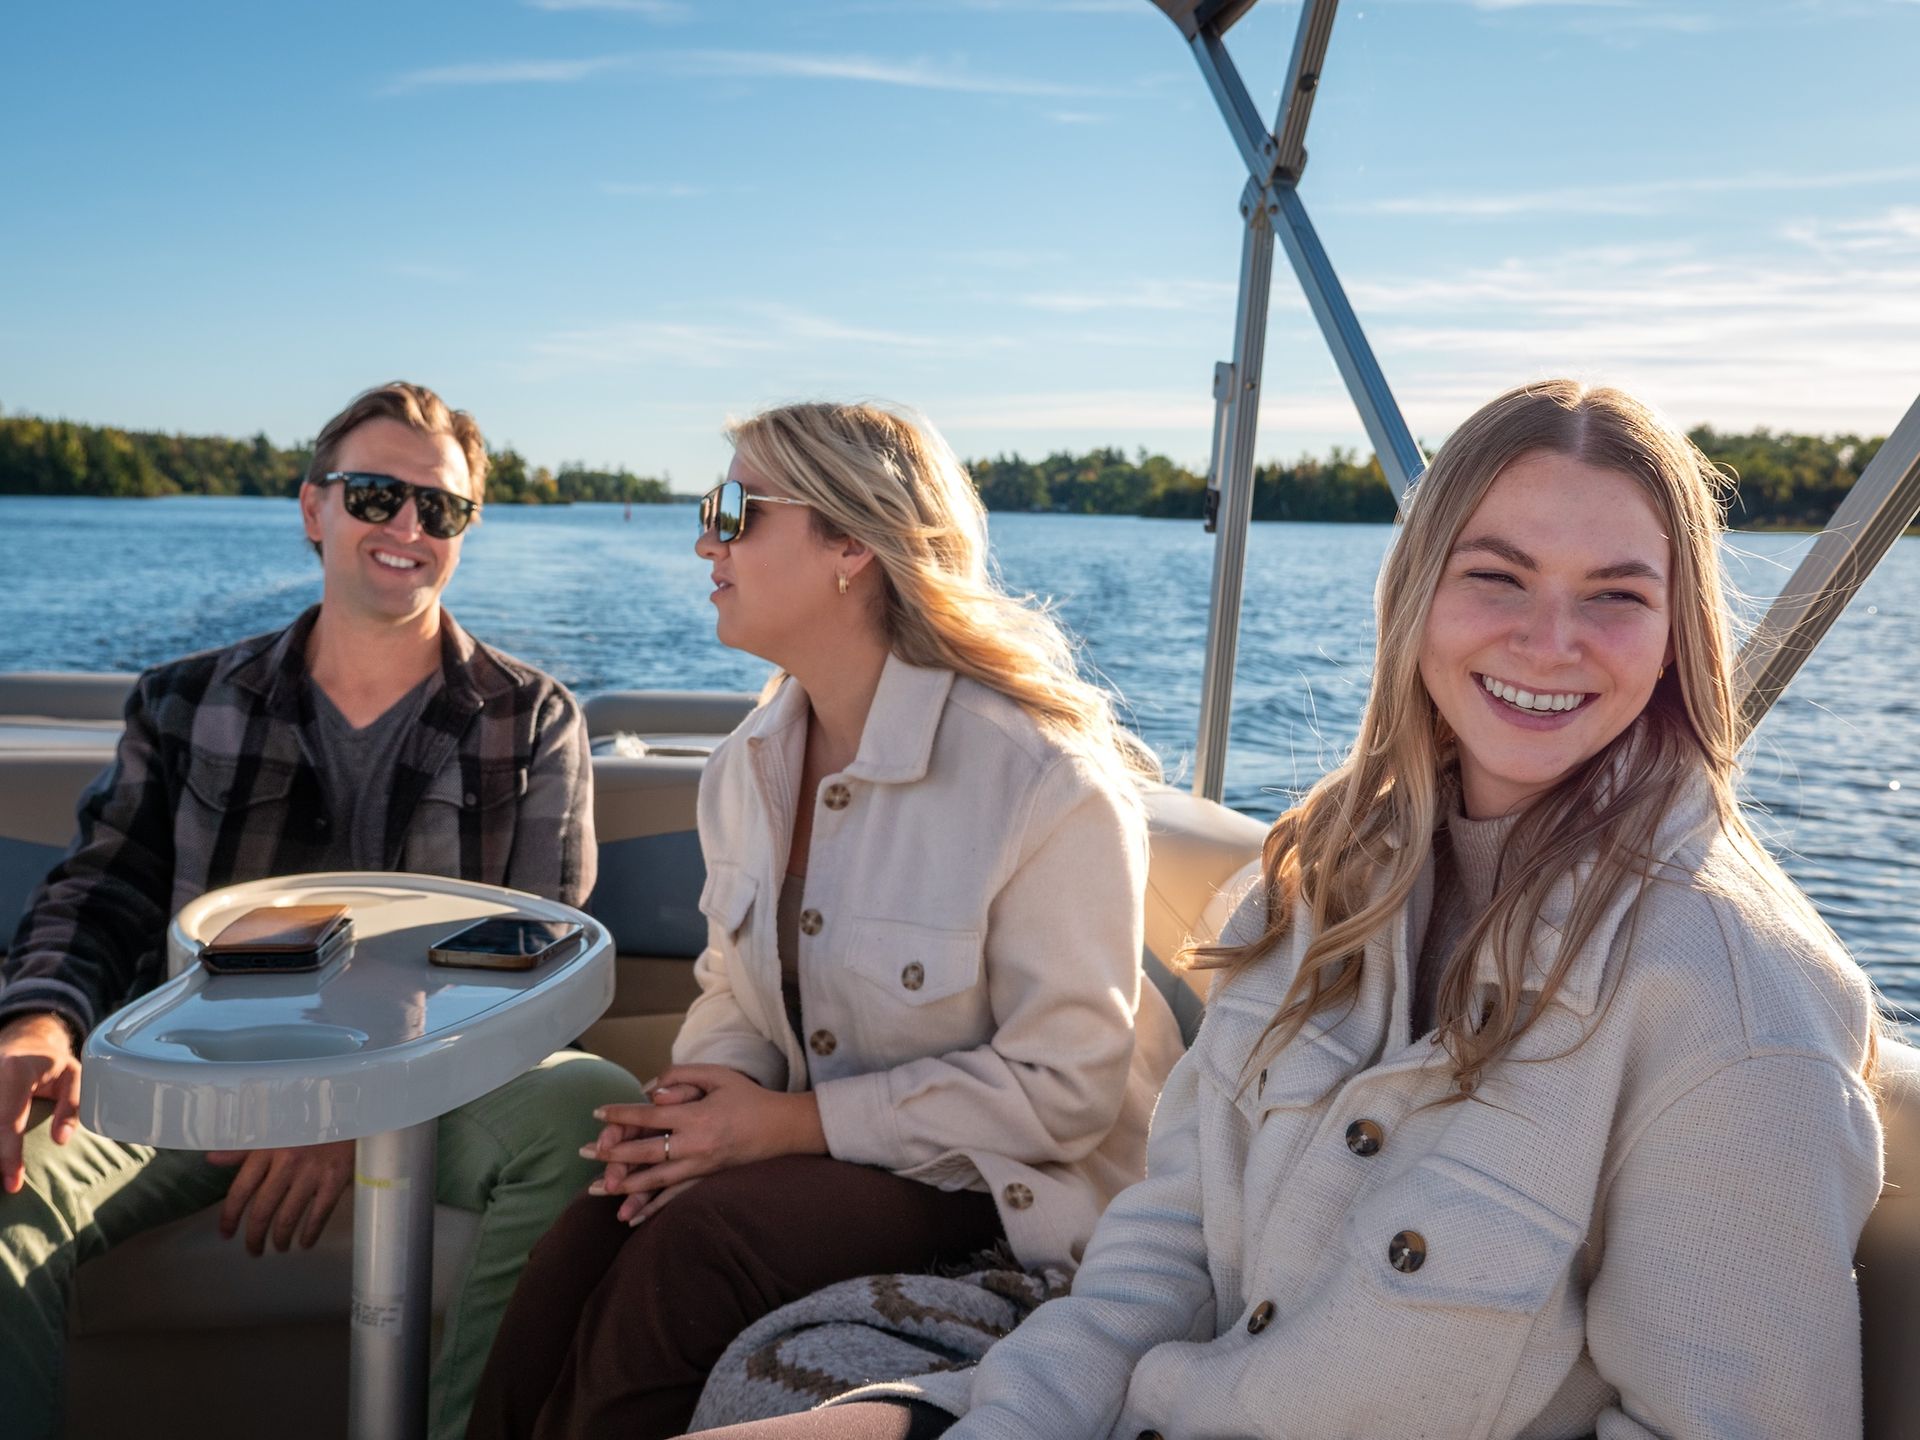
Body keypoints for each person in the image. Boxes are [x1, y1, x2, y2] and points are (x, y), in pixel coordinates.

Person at [684, 379, 1890, 1440]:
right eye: (1496, 577)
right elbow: (1161, 1260)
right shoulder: (1316, 889)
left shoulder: (1737, 1003)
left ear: (1678, 635)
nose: (1549, 639)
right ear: (1416, 595)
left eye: (1615, 596)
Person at [465, 401, 1185, 1439]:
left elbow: (1064, 1094)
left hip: (1012, 1191)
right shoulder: (747, 765)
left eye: (734, 509)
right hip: (831, 1160)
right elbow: (736, 992)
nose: (704, 538)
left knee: (699, 1245)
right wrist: (695, 1110)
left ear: (852, 542)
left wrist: (784, 1127)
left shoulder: (1042, 783)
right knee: (594, 1221)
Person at [0, 381, 644, 1440]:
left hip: (439, 1080)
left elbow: (541, 960)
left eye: (440, 509)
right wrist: (37, 1022)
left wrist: (354, 1113)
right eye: (375, 495)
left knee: (592, 1112)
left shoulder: (531, 719)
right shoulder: (182, 699)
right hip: (197, 1076)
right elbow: (102, 885)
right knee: (8, 1165)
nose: (406, 529)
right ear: (313, 509)